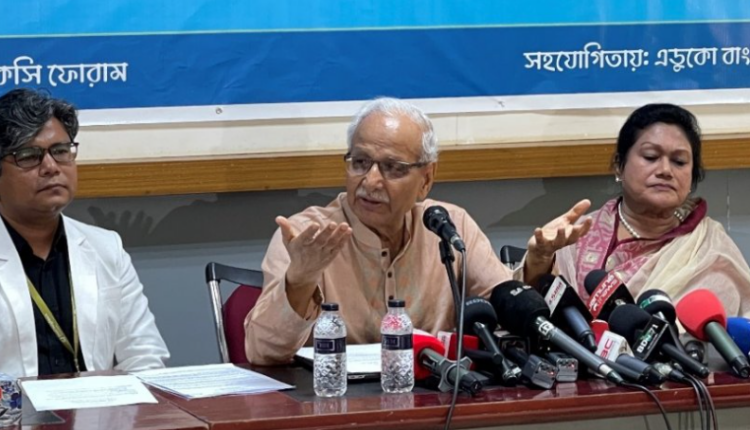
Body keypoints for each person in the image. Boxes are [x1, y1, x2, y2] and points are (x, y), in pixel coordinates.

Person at [245, 97, 591, 365]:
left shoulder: (448, 225)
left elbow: (506, 309)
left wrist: (538, 262)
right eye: (360, 162)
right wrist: (300, 280)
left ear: (426, 179)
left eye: (392, 167)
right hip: (334, 408)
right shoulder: (305, 237)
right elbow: (261, 353)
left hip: (434, 402)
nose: (370, 181)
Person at [0, 89, 169, 377]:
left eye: (61, 151)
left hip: (97, 405)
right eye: (29, 156)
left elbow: (145, 355)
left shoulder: (106, 247)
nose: (51, 167)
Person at [556, 103, 750, 317]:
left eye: (679, 161)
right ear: (620, 165)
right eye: (650, 156)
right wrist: (538, 263)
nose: (665, 170)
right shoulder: (576, 234)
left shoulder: (710, 250)